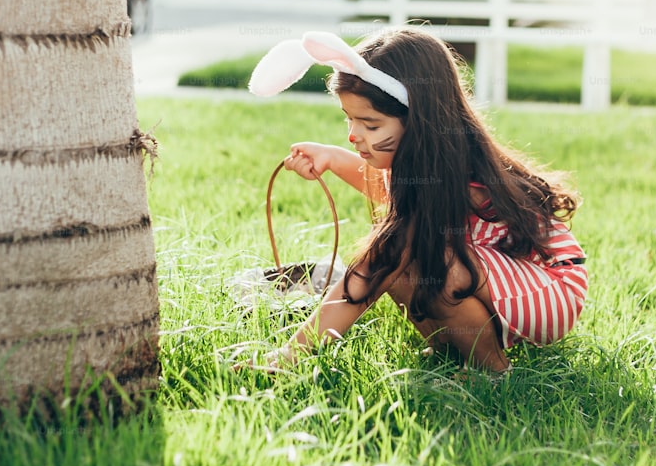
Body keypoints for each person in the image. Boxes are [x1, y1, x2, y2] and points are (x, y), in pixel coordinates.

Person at [242, 28, 589, 374]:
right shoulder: (421, 160)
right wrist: (332, 158)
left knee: (409, 260)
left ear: (419, 120)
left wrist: (291, 356)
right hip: (503, 278)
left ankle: (492, 372)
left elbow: (369, 272)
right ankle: (451, 351)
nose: (353, 135)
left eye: (371, 125)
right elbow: (385, 188)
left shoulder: (449, 170)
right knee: (406, 264)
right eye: (350, 119)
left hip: (549, 287)